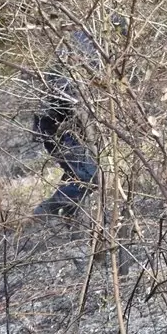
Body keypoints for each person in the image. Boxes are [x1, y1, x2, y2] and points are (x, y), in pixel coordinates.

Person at [31, 29, 103, 218]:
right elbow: (71, 99)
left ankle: (69, 218)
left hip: (63, 126)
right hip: (58, 128)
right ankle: (49, 210)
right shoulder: (79, 57)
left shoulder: (82, 48)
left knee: (78, 175)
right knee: (90, 176)